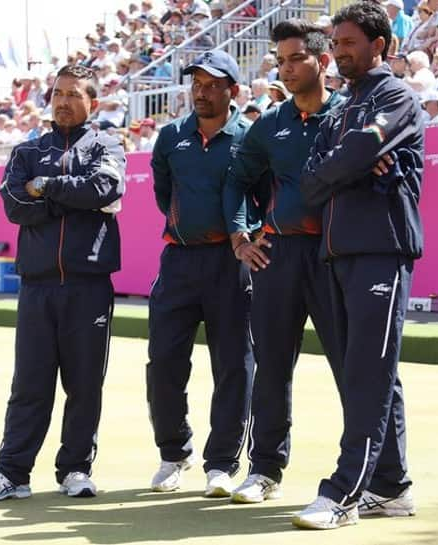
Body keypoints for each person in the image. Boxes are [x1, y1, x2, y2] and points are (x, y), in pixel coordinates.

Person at [0, 64, 126, 501]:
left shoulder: (107, 144)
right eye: (57, 92)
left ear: (92, 102)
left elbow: (104, 188)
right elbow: (15, 203)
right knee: (29, 384)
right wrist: (64, 200)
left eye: (73, 94)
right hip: (37, 286)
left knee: (84, 384)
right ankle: (12, 473)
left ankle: (75, 469)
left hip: (89, 285)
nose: (62, 101)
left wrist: (46, 188)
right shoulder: (27, 150)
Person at [297, 2, 423, 529]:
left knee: (368, 373)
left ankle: (344, 492)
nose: (338, 51)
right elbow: (309, 178)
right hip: (338, 252)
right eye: (336, 42)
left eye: (349, 42)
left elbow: (344, 160)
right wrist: (346, 164)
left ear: (379, 45)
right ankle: (392, 489)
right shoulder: (340, 108)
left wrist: (344, 163)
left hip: (381, 249)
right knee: (368, 375)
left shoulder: (396, 95)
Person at [223, 18, 345, 506]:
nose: (288, 69)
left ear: (324, 61)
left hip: (336, 257)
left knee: (350, 366)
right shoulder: (269, 123)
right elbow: (236, 181)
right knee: (272, 367)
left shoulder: (348, 115)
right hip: (277, 256)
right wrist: (239, 236)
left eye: (298, 59)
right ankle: (265, 469)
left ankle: (368, 472)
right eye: (281, 61)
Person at [146, 49, 255, 498]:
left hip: (231, 264)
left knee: (232, 365)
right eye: (197, 85)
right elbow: (162, 191)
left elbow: (262, 197)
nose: (203, 93)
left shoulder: (251, 137)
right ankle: (174, 453)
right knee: (164, 362)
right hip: (179, 260)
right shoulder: (170, 137)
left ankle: (222, 463)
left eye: (213, 85)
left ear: (233, 90)